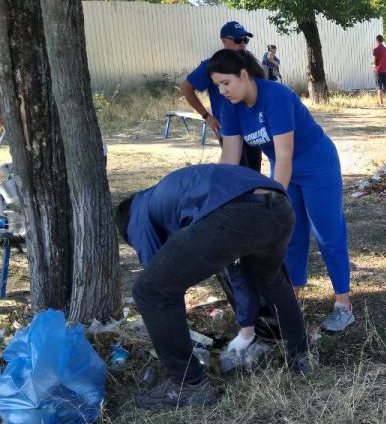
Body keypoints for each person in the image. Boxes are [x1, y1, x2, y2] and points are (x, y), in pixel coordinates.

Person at [115, 164, 312, 411]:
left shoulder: (136, 215)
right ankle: (302, 355)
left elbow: (159, 280)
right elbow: (237, 270)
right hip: (277, 204)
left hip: (235, 210)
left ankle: (188, 384)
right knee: (270, 279)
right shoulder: (171, 192)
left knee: (149, 291)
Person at [208, 49, 356, 338]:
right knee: (291, 235)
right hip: (283, 165)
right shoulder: (232, 107)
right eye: (217, 86)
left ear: (243, 74)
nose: (222, 91)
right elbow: (230, 155)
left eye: (226, 83)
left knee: (328, 234)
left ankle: (343, 306)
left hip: (315, 163)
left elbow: (286, 154)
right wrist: (215, 194)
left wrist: (272, 199)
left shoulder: (274, 96)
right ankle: (292, 302)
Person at [180, 21, 263, 171]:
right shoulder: (211, 65)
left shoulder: (250, 62)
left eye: (246, 40)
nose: (242, 44)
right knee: (237, 172)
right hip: (228, 127)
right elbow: (186, 87)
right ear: (224, 41)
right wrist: (207, 116)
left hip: (251, 125)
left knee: (254, 172)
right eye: (238, 40)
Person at [372, 34, 386, 107]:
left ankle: (381, 103)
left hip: (378, 70)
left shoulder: (375, 50)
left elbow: (374, 61)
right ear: (382, 40)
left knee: (379, 87)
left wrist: (374, 63)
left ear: (377, 41)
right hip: (385, 70)